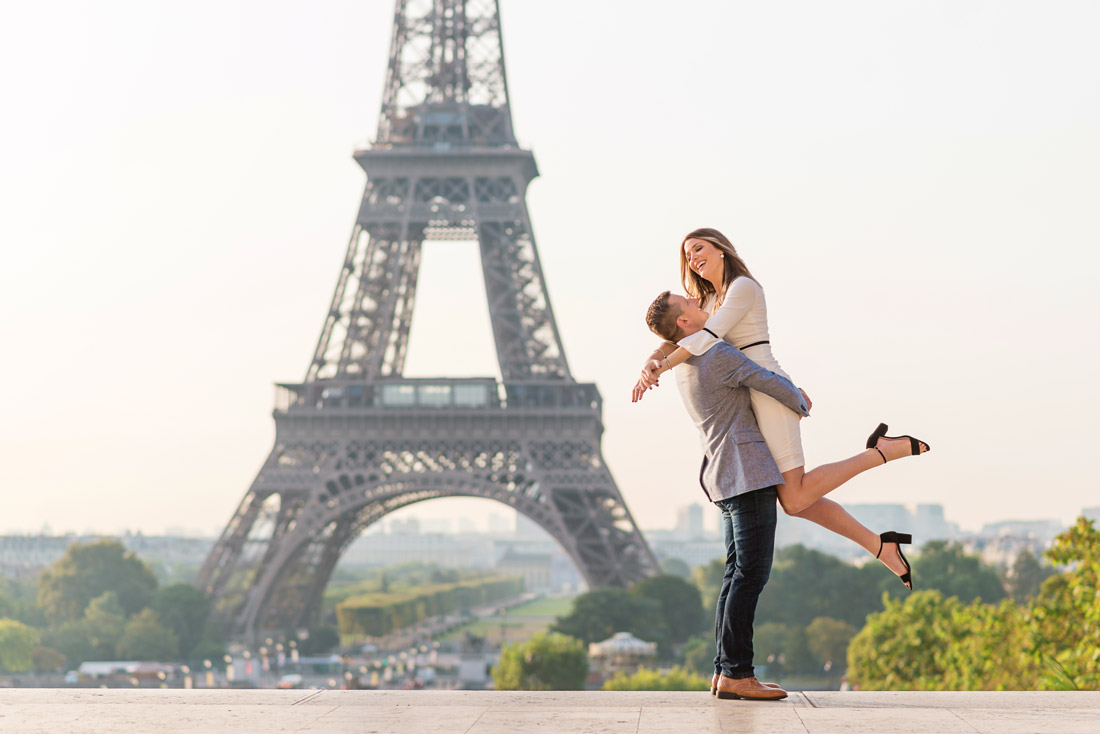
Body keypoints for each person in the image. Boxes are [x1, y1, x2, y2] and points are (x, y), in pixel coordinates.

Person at [634, 227, 930, 588]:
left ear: (721, 250)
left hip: (767, 391)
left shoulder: (741, 287)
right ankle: (879, 545)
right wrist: (650, 361)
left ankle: (880, 455)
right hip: (745, 391)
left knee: (795, 498)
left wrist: (661, 369)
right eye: (688, 255)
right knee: (795, 498)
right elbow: (676, 338)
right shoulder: (706, 301)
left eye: (699, 248)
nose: (693, 258)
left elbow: (705, 339)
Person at [645, 289, 810, 700]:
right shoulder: (713, 354)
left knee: (735, 575)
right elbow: (764, 379)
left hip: (722, 475)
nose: (702, 306)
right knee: (750, 576)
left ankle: (725, 671)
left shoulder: (684, 364)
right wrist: (801, 400)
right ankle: (737, 672)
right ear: (684, 323)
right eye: (693, 305)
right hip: (748, 472)